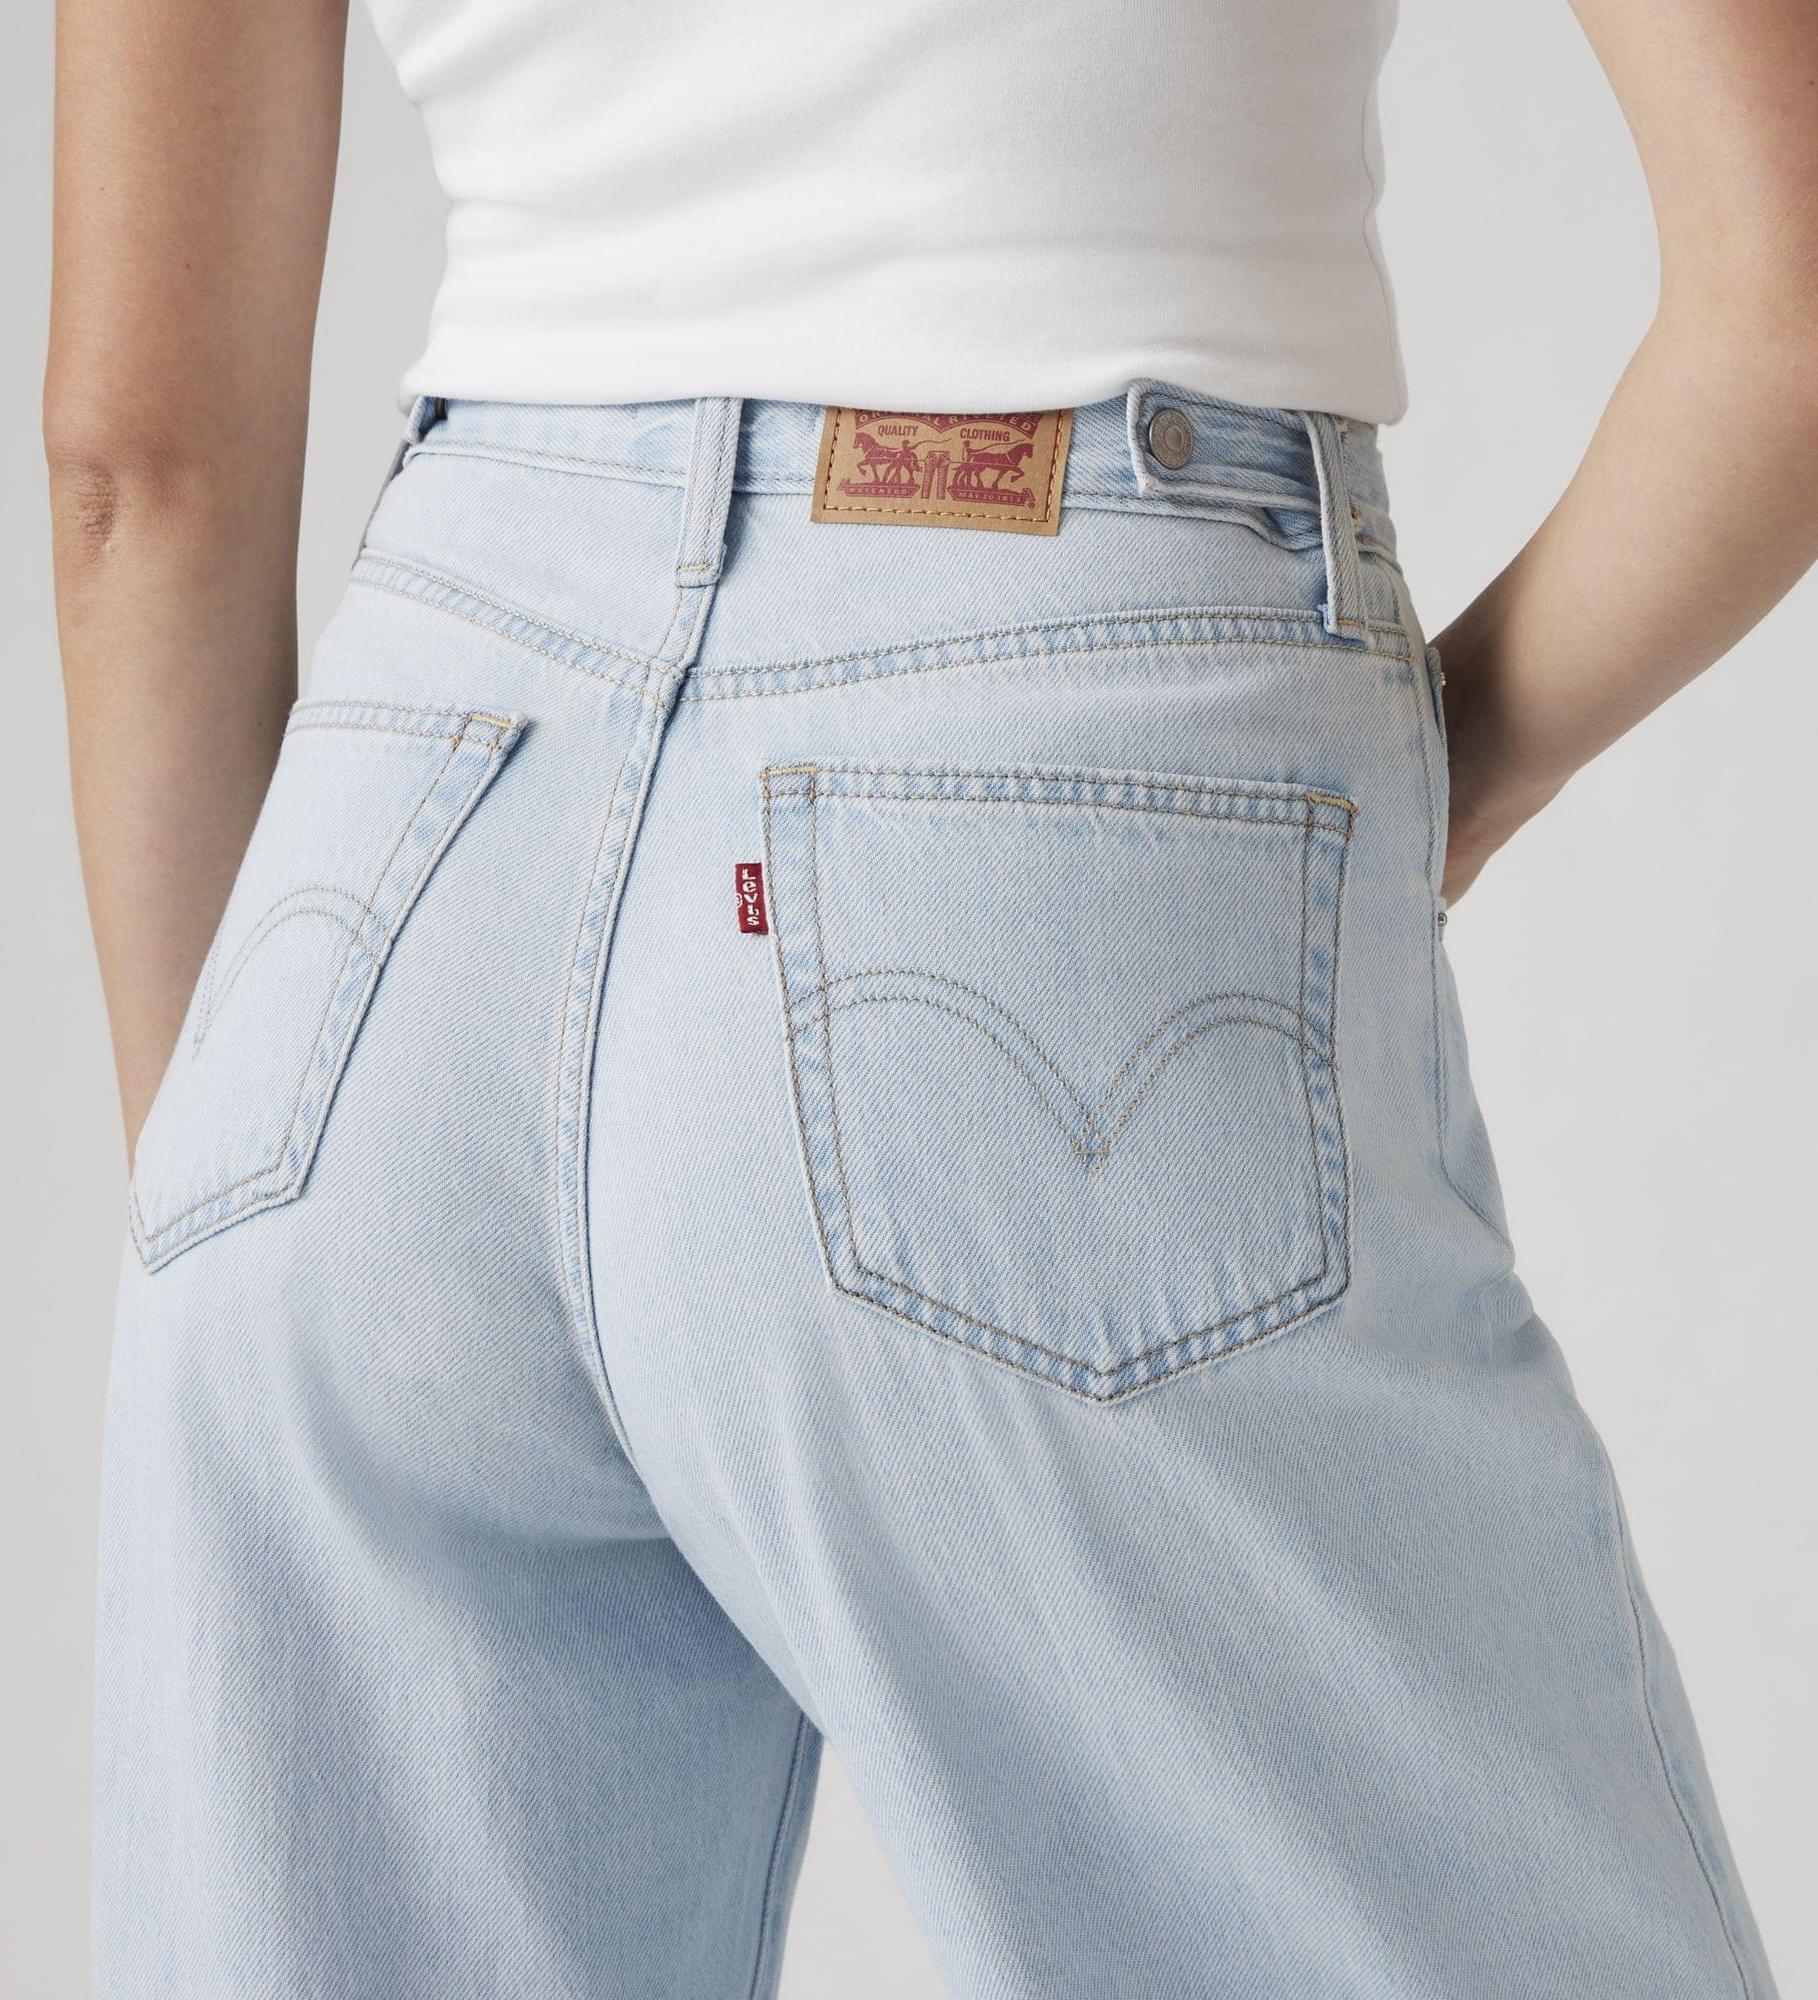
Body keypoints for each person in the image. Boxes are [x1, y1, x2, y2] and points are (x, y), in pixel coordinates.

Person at [46, 0, 1809, 1993]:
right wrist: (1437, 790)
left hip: (384, 878)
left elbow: (136, 469)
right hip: (1055, 729)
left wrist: (239, 1199)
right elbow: (1789, 302)